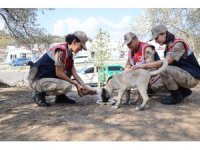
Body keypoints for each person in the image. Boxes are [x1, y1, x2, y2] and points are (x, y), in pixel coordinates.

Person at [132, 25, 200, 105]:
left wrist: (143, 65)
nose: (156, 41)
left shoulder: (178, 44)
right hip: (183, 74)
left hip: (192, 77)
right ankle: (184, 91)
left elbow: (166, 62)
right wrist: (157, 76)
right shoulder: (168, 47)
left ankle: (176, 96)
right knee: (154, 85)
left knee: (164, 69)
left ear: (164, 34)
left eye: (156, 38)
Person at [28, 31, 96, 107]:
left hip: (47, 78)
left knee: (68, 72)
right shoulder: (61, 51)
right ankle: (39, 93)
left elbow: (75, 74)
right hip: (37, 80)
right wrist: (76, 84)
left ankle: (60, 97)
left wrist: (85, 87)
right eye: (81, 46)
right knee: (67, 86)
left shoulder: (69, 54)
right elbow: (59, 73)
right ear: (74, 42)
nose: (81, 49)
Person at [123, 32, 160, 99]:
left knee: (144, 78)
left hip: (154, 72)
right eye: (127, 44)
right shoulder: (131, 52)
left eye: (130, 43)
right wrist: (126, 70)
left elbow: (150, 66)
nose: (129, 46)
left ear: (136, 40)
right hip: (140, 72)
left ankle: (148, 90)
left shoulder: (146, 48)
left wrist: (134, 71)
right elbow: (128, 63)